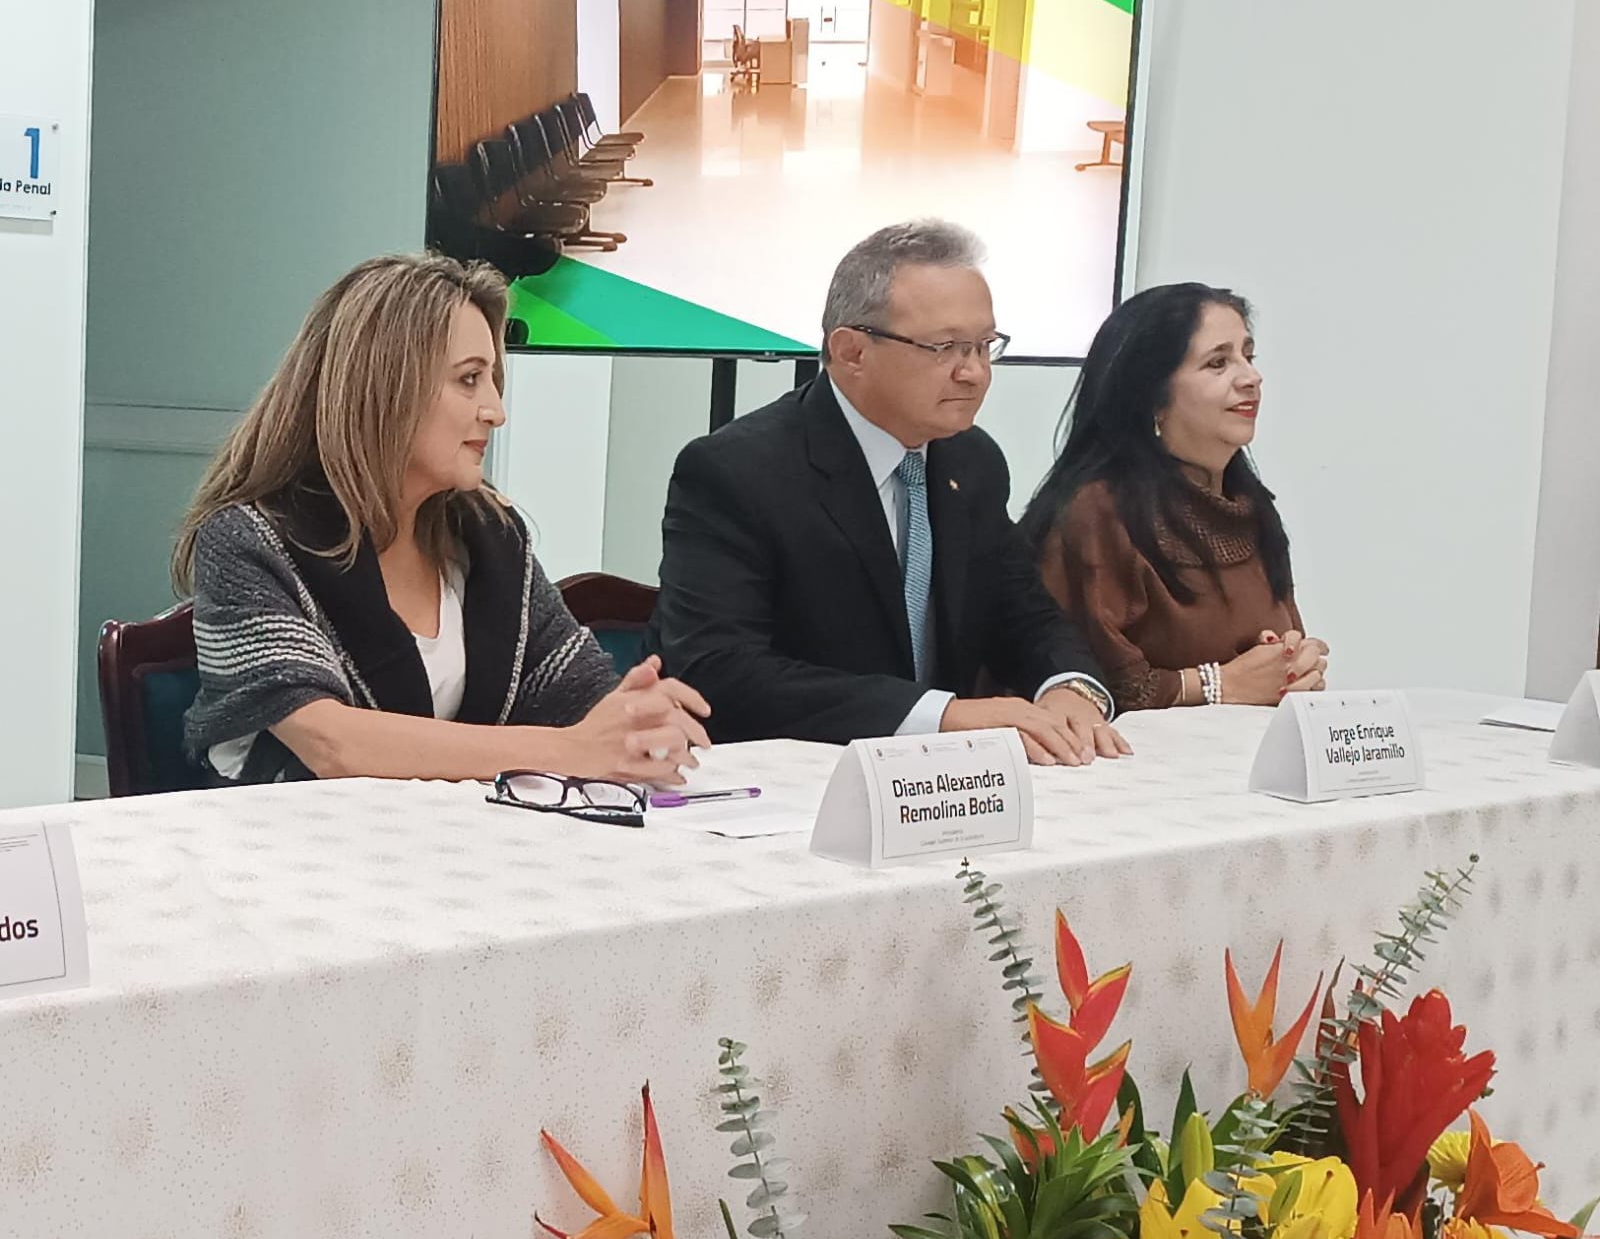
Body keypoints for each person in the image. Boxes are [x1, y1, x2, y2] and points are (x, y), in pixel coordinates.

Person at [174, 253, 709, 785]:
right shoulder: (249, 540)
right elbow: (332, 744)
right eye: (470, 379)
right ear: (386, 389)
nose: (497, 410)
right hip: (290, 856)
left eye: (493, 379)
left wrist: (635, 718)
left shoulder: (488, 536)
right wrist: (568, 750)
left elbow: (579, 698)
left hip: (450, 850)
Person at [646, 219, 1129, 766]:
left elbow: (1024, 613)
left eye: (984, 345)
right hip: (785, 782)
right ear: (852, 352)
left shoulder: (972, 461)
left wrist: (1068, 687)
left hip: (941, 790)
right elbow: (721, 670)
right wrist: (944, 716)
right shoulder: (736, 470)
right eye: (945, 347)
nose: (974, 373)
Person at [1019, 283, 1328, 712]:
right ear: (1152, 397)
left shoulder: (1249, 507)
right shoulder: (1098, 512)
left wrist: (1294, 665)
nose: (1251, 378)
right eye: (1218, 363)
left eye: (1248, 356)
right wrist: (1218, 685)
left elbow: (1266, 666)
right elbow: (1081, 689)